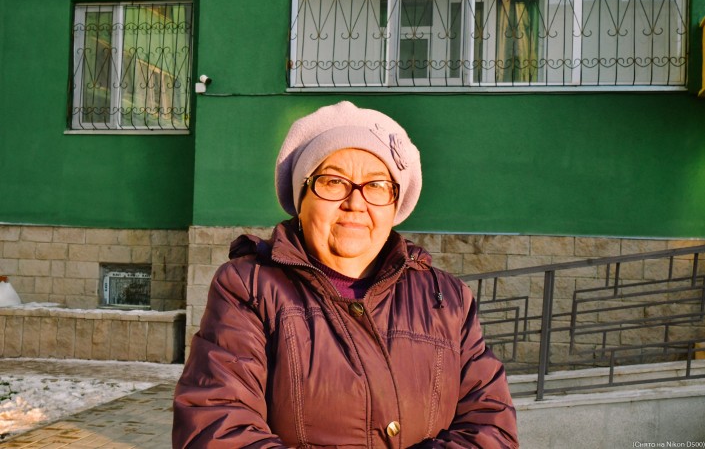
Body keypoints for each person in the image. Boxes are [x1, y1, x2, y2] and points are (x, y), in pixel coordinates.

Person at [172, 101, 519, 448]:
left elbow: (490, 426)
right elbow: (217, 426)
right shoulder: (249, 288)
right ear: (302, 197)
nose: (355, 203)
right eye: (333, 181)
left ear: (394, 205)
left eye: (377, 185)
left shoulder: (445, 298)